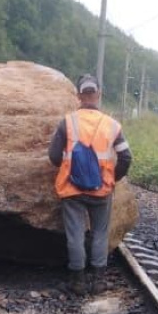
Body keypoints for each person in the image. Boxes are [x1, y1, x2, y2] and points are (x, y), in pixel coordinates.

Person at [48, 73, 132, 295]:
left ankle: (77, 282)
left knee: (75, 235)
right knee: (100, 233)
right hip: (101, 190)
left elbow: (54, 156)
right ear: (98, 94)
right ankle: (98, 282)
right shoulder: (112, 125)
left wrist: (70, 165)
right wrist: (113, 178)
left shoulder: (67, 122)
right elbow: (126, 158)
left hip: (71, 189)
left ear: (79, 96)